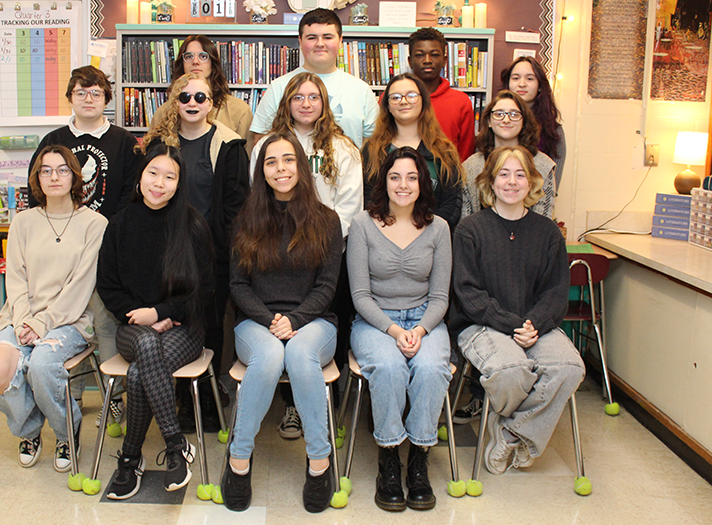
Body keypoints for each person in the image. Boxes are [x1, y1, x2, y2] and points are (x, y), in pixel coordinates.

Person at [221, 133, 343, 513]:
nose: (281, 169)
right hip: (257, 322)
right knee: (271, 356)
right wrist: (271, 320)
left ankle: (318, 462)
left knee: (303, 354)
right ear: (262, 171)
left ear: (301, 167)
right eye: (271, 162)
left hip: (315, 321)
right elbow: (238, 285)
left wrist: (295, 320)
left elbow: (327, 287)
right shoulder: (246, 220)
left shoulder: (327, 220)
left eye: (288, 160)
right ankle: (239, 461)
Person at [450, 145, 585, 476]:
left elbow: (556, 291)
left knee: (569, 368)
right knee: (511, 372)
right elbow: (467, 292)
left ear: (532, 182)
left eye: (520, 174)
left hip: (536, 325)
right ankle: (525, 429)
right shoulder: (470, 229)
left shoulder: (548, 232)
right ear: (490, 182)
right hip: (482, 325)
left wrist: (533, 323)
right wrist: (512, 324)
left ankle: (510, 431)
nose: (512, 182)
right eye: (504, 174)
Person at [0, 145, 107, 473]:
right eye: (46, 170)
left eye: (62, 169)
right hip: (20, 316)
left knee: (41, 366)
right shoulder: (22, 222)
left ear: (76, 176)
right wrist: (24, 320)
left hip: (70, 319)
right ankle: (30, 429)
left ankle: (66, 433)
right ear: (37, 178)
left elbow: (82, 285)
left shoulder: (95, 224)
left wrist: (43, 323)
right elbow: (15, 278)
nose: (54, 177)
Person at [96, 144, 215, 499]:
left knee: (137, 372)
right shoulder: (119, 224)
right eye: (153, 173)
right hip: (133, 328)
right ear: (141, 176)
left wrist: (162, 313)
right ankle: (176, 446)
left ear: (179, 184)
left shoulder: (192, 224)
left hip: (184, 328)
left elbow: (203, 291)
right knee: (147, 344)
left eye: (169, 177)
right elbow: (108, 287)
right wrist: (143, 316)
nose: (159, 183)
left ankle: (130, 460)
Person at [249, 71, 362, 441]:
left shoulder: (343, 148)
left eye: (314, 97)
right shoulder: (266, 145)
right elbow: (257, 197)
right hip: (273, 256)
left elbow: (349, 205)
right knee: (278, 329)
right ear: (287, 102)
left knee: (315, 330)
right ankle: (290, 409)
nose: (306, 103)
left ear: (324, 104)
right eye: (298, 97)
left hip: (326, 254)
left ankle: (323, 406)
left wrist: (319, 240)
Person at [28, 65, 142, 426]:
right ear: (70, 98)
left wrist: (107, 231)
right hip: (62, 252)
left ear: (107, 98)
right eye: (81, 92)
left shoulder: (123, 141)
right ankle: (69, 394)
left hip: (107, 249)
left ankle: (114, 398)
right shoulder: (54, 139)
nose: (88, 98)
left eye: (96, 92)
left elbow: (130, 193)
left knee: (105, 324)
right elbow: (37, 189)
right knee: (63, 321)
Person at [141, 72, 249, 431]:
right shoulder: (160, 145)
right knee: (169, 321)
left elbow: (235, 206)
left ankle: (203, 398)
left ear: (212, 103)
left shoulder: (229, 145)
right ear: (175, 100)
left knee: (210, 325)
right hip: (161, 250)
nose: (192, 103)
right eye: (184, 96)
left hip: (210, 253)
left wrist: (224, 253)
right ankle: (171, 396)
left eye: (200, 98)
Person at [348, 147, 452, 512]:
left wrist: (420, 331)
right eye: (395, 177)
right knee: (390, 367)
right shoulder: (363, 225)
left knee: (431, 367)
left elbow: (441, 297)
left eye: (411, 177)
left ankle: (419, 460)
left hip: (426, 319)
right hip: (375, 320)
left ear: (422, 183)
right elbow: (360, 295)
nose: (403, 185)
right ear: (384, 181)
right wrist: (394, 331)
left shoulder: (439, 228)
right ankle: (389, 459)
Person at [249, 8, 379, 149]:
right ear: (300, 41)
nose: (320, 43)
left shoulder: (361, 90)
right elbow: (260, 141)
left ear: (341, 40)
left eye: (328, 37)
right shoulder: (278, 87)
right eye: (312, 38)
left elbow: (373, 145)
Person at [363, 73, 465, 233]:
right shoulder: (372, 150)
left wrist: (423, 233)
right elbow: (367, 198)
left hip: (431, 239)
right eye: (395, 97)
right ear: (387, 106)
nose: (403, 101)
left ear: (423, 101)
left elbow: (452, 204)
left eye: (411, 95)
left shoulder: (444, 151)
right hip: (383, 237)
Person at [150, 35, 253, 154]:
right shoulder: (163, 112)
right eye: (188, 56)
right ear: (181, 64)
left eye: (203, 56)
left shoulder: (239, 110)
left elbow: (247, 161)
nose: (195, 62)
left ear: (213, 63)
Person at [461, 91, 556, 220]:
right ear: (489, 121)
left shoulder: (543, 165)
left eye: (514, 114)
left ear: (524, 121)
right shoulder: (470, 166)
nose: (506, 120)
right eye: (499, 114)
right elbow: (466, 222)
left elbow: (543, 224)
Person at [408, 27, 476, 161]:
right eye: (420, 55)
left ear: (445, 60)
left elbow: (466, 153)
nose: (427, 60)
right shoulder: (393, 98)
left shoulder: (461, 101)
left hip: (448, 178)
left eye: (434, 55)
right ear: (410, 61)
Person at [501, 56, 566, 191]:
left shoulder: (553, 130)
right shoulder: (497, 122)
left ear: (540, 86)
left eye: (530, 78)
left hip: (538, 201)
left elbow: (554, 183)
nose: (522, 84)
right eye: (516, 78)